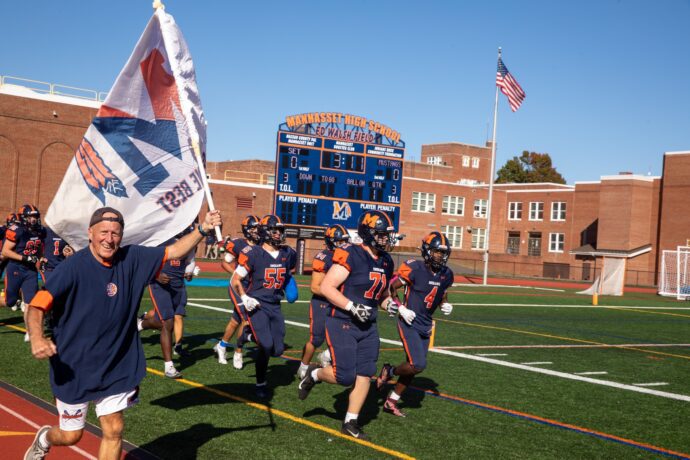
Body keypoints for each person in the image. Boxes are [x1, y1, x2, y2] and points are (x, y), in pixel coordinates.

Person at [24, 207, 222, 460]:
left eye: (115, 233)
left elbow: (173, 251)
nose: (109, 238)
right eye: (103, 232)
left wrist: (202, 229)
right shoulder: (73, 267)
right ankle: (44, 438)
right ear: (90, 233)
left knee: (115, 428)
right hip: (75, 365)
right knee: (71, 435)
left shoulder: (133, 258)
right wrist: (38, 337)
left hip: (117, 362)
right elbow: (37, 304)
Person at [297, 210, 398, 440]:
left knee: (365, 373)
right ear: (368, 233)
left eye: (386, 235)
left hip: (368, 325)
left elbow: (379, 294)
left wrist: (389, 304)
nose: (386, 239)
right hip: (342, 322)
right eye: (381, 234)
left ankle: (350, 422)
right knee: (345, 377)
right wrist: (352, 306)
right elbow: (327, 287)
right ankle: (314, 375)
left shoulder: (386, 260)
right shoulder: (350, 253)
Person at [375, 231, 455, 417]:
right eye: (436, 251)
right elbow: (391, 287)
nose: (440, 256)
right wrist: (400, 308)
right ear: (427, 251)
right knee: (418, 364)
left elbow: (441, 292)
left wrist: (445, 304)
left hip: (426, 325)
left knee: (412, 369)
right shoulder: (414, 268)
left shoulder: (447, 274)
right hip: (409, 322)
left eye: (443, 253)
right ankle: (389, 370)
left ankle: (391, 401)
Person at [230, 214, 296, 398]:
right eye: (274, 230)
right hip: (257, 303)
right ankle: (261, 383)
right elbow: (235, 279)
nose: (278, 234)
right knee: (265, 346)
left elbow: (287, 275)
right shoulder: (253, 253)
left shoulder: (288, 253)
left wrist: (290, 287)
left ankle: (247, 335)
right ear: (265, 232)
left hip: (275, 304)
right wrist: (244, 296)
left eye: (280, 230)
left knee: (278, 350)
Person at [138, 224, 197, 378]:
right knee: (167, 323)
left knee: (163, 320)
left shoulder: (190, 245)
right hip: (159, 285)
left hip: (178, 286)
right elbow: (144, 261)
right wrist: (155, 275)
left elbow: (190, 262)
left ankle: (141, 324)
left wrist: (189, 273)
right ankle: (169, 366)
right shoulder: (161, 240)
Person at [297, 224, 350, 379]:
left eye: (345, 241)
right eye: (340, 241)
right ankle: (303, 366)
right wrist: (334, 293)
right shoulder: (324, 257)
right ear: (331, 241)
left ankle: (326, 356)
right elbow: (314, 287)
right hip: (322, 303)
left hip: (339, 302)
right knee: (316, 338)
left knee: (344, 334)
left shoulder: (348, 255)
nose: (344, 244)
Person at [213, 215, 261, 369]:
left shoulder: (261, 244)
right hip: (237, 286)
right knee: (247, 319)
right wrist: (237, 275)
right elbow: (225, 263)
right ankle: (238, 352)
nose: (257, 231)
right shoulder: (238, 244)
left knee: (235, 320)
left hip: (251, 287)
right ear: (247, 230)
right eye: (253, 228)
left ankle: (221, 345)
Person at [1, 205, 45, 342]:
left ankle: (30, 331)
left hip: (30, 271)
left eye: (36, 216)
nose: (34, 219)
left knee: (30, 303)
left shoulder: (40, 231)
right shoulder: (17, 230)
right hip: (15, 268)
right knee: (10, 301)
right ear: (24, 217)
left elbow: (40, 248)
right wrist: (25, 258)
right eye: (31, 216)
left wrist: (41, 258)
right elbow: (5, 251)